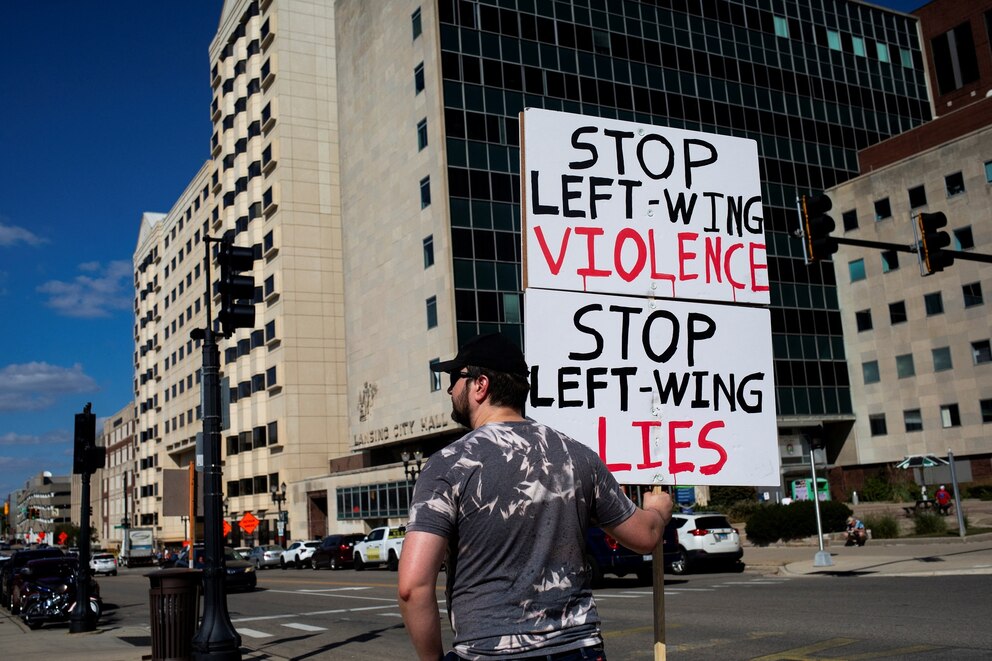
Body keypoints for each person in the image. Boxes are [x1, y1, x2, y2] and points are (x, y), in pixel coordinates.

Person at [398, 333, 674, 661]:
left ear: (479, 385)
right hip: (579, 648)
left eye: (454, 378)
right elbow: (645, 537)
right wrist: (658, 511)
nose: (449, 388)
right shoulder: (579, 457)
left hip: (489, 651)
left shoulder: (450, 464)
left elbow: (412, 588)